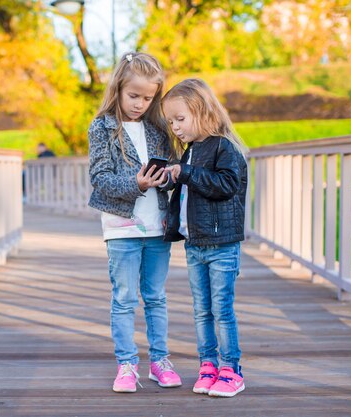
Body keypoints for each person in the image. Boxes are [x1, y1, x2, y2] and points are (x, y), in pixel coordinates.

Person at [88, 51, 182, 393]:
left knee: (156, 296)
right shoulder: (102, 127)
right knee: (125, 298)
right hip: (121, 228)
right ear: (118, 88)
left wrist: (168, 177)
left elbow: (172, 171)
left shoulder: (158, 128)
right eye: (134, 96)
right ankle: (127, 364)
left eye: (148, 97)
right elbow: (100, 177)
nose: (140, 103)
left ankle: (160, 361)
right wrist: (136, 183)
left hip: (157, 226)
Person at [161, 78, 248, 398]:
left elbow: (225, 185)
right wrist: (169, 180)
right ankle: (208, 365)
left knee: (222, 309)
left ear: (203, 111)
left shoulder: (224, 147)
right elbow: (189, 192)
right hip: (196, 243)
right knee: (201, 309)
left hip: (222, 244)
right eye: (171, 122)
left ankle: (231, 369)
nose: (175, 127)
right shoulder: (190, 151)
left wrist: (184, 173)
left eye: (180, 119)